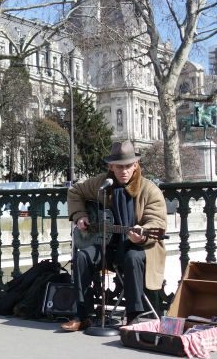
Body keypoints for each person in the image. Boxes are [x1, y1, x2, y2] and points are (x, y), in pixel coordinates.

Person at [61, 140, 167, 331]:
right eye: (119, 167)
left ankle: (134, 316)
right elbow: (75, 191)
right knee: (83, 256)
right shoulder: (103, 184)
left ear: (136, 165)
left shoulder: (149, 190)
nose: (123, 171)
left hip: (140, 247)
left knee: (132, 257)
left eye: (128, 166)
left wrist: (142, 236)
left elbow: (157, 223)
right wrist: (80, 216)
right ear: (111, 166)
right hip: (105, 244)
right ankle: (83, 315)